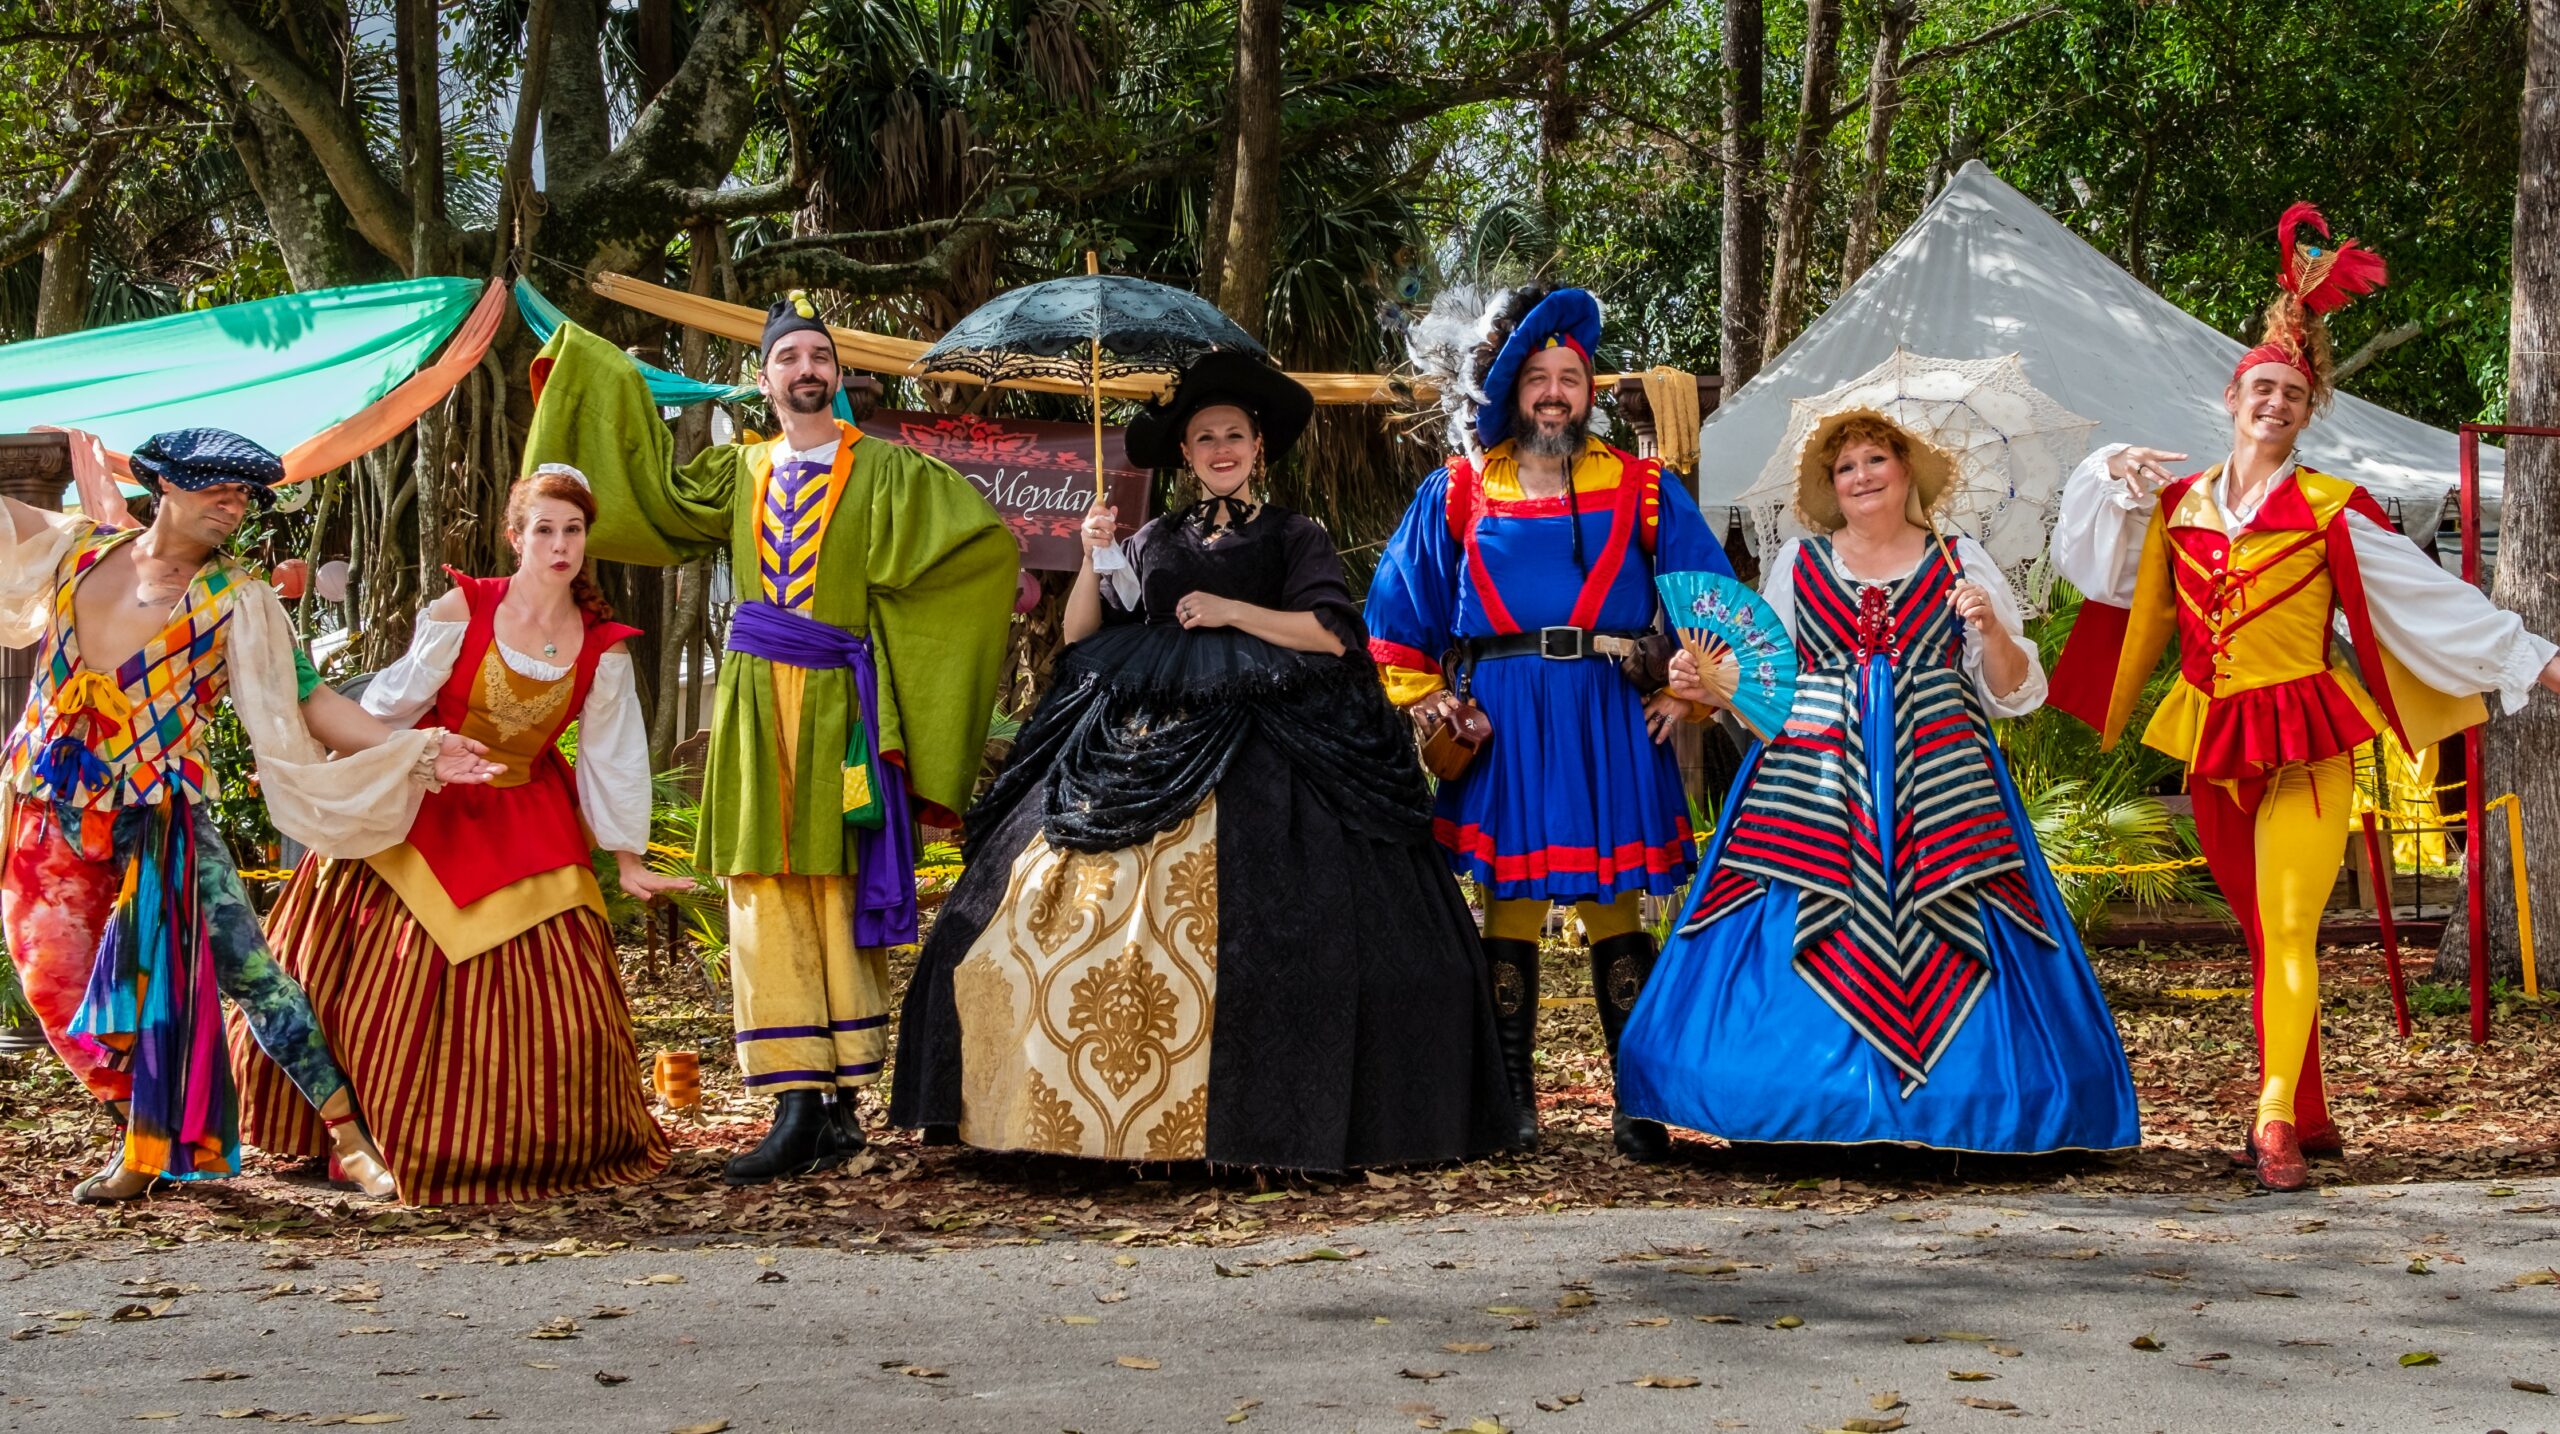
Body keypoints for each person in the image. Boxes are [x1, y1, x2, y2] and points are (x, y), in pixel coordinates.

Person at [889, 352, 1515, 1168]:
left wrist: (1229, 610)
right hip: (1142, 724)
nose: (1220, 448)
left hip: (1284, 727)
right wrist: (1089, 555)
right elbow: (1084, 635)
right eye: (1204, 438)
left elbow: (1329, 634)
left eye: (1234, 435)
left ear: (1259, 447)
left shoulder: (1297, 534)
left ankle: (1270, 1114)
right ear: (1184, 455)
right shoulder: (1150, 537)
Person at [2049, 204, 2560, 1190]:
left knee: (2287, 931)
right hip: (2208, 737)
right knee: (2257, 935)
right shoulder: (2174, 505)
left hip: (2307, 737)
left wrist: (2537, 661)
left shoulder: (2332, 512)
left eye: (2291, 392)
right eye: (2261, 387)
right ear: (2232, 399)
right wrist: (2106, 467)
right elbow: (2099, 574)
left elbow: (2432, 605)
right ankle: (2310, 1103)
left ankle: (2273, 1121)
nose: (2274, 402)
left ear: (2307, 408)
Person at [521, 293, 1019, 1184]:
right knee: (760, 879)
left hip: (842, 707)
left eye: (819, 357)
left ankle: (839, 1105)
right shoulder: (736, 470)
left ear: (838, 375)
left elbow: (977, 549)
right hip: (754, 705)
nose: (806, 370)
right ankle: (795, 1098)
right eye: (789, 358)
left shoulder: (892, 473)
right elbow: (648, 501)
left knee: (833, 878)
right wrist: (590, 372)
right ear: (764, 381)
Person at [1615, 408, 2142, 1153]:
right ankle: (1792, 1109)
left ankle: (1961, 1114)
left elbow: (2015, 692)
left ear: (1907, 473)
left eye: (1875, 461)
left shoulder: (1962, 562)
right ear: (1832, 486)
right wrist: (1695, 680)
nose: (1861, 477)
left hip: (1946, 788)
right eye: (1846, 468)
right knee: (1791, 916)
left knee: (1965, 919)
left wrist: (1990, 629)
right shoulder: (1798, 565)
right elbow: (1760, 680)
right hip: (1810, 787)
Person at [0, 428, 499, 1203]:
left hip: (157, 813)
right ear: (166, 486)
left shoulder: (240, 600)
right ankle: (143, 1133)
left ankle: (349, 1137)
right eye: (217, 491)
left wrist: (424, 750)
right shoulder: (77, 551)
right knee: (55, 984)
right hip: (46, 798)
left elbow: (312, 703)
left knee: (251, 972)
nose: (233, 509)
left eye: (243, 497)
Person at [232, 466, 682, 1204]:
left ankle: (540, 1145)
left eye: (572, 530)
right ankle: (359, 1132)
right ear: (515, 537)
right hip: (428, 797)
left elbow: (613, 758)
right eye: (544, 529)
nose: (559, 545)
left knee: (554, 987)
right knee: (381, 968)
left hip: (529, 814)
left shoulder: (605, 645)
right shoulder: (461, 606)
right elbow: (392, 701)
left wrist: (627, 858)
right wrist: (383, 770)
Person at [1366, 284, 1731, 1160]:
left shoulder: (1643, 487)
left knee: (1615, 902)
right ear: (1511, 392)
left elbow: (1713, 598)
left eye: (1572, 376)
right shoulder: (1458, 490)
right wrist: (1426, 699)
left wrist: (1689, 687)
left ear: (1591, 390)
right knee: (1512, 902)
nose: (1557, 392)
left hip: (1608, 708)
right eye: (1539, 378)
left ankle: (1637, 1101)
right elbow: (1394, 615)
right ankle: (1512, 1102)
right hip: (1503, 717)